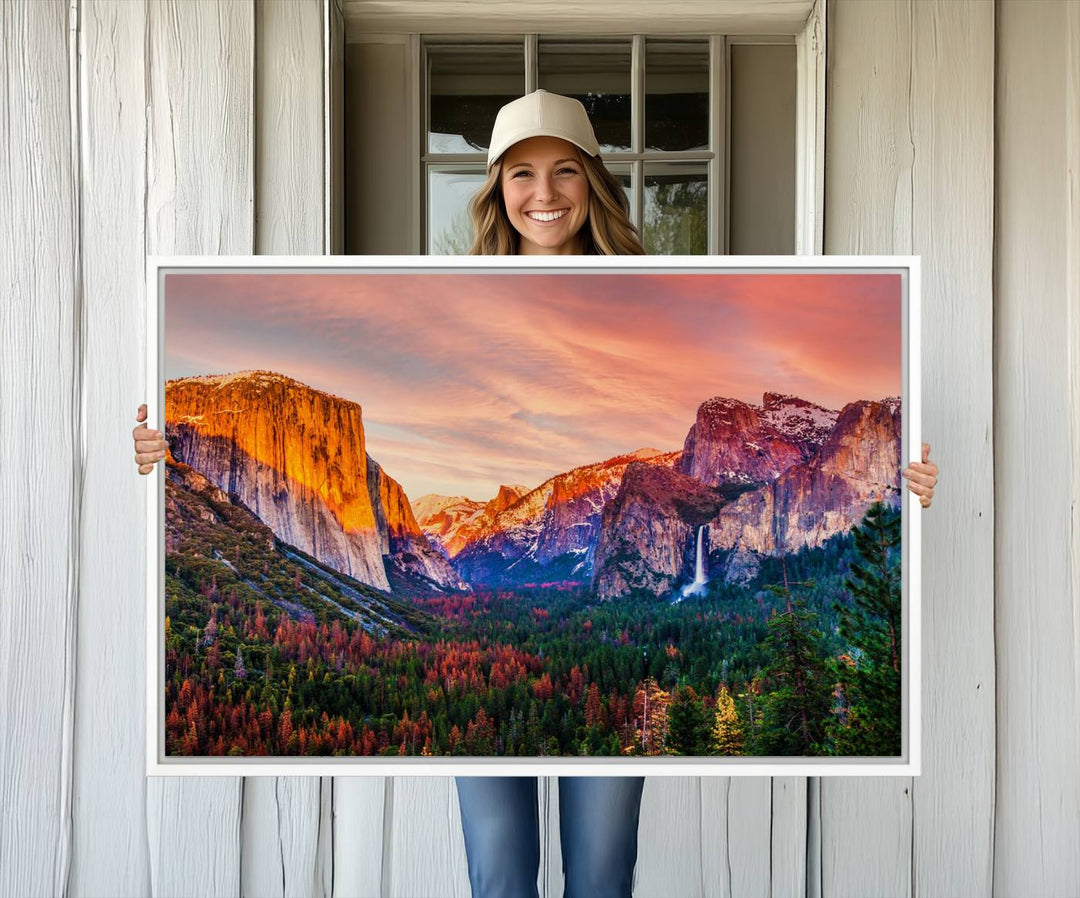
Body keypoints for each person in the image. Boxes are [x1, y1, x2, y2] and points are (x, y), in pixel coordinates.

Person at [131, 89, 940, 898]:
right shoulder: (453, 300)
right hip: (498, 728)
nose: (544, 193)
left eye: (564, 171)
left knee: (600, 876)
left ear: (593, 181)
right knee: (500, 876)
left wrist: (894, 484)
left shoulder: (660, 291)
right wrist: (163, 455)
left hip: (605, 716)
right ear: (496, 189)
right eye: (521, 173)